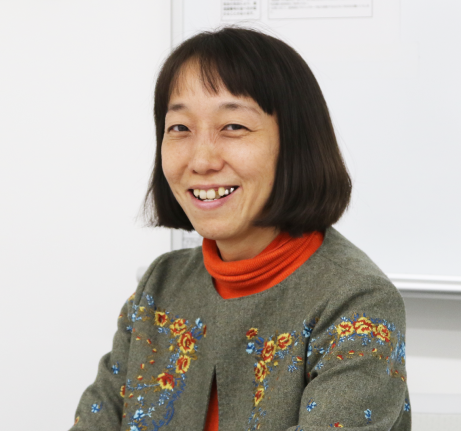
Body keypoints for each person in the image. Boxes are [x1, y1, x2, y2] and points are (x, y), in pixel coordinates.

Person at [69, 27, 410, 431]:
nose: (201, 160)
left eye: (233, 126)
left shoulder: (356, 302)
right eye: (180, 128)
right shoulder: (159, 287)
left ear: (295, 144)